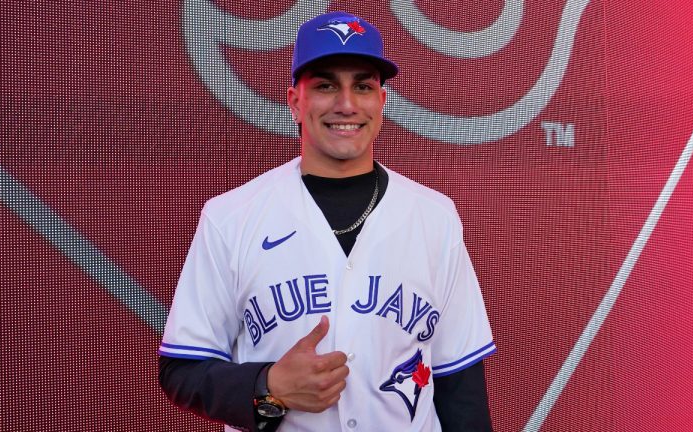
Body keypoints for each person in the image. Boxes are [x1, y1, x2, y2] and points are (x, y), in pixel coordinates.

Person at [158, 11, 496, 432]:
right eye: (324, 85)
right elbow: (182, 369)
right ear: (295, 101)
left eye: (363, 85)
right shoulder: (231, 217)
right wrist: (267, 386)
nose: (347, 104)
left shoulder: (434, 217)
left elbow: (459, 380)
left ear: (381, 102)